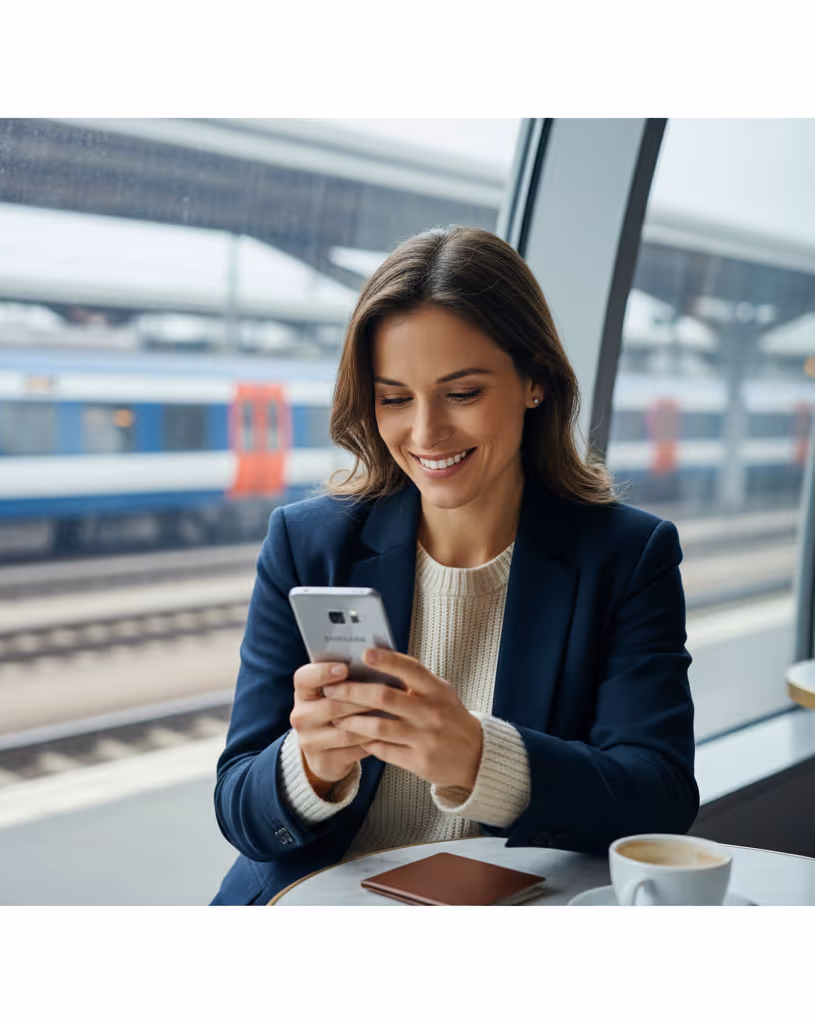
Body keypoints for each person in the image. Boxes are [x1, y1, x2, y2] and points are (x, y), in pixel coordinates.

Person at [211, 226, 698, 906]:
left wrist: (479, 758)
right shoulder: (307, 543)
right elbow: (237, 803)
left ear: (534, 380)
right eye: (394, 398)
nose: (426, 433)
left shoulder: (627, 556)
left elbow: (661, 797)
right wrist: (311, 767)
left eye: (462, 393)